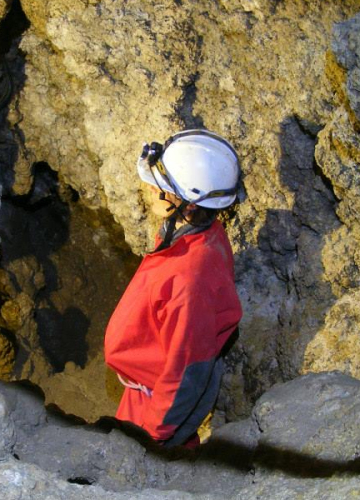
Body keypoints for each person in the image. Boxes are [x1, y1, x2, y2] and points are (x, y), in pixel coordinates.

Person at [104, 129, 243, 449]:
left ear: (187, 203)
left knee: (138, 464)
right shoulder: (197, 232)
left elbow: (185, 376)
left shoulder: (189, 281)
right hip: (147, 378)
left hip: (158, 399)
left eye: (162, 186)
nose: (153, 188)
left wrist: (152, 436)